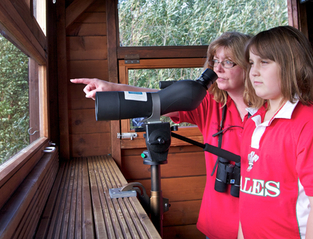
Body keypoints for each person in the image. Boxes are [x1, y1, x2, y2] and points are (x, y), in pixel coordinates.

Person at [71, 31, 251, 239]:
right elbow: (158, 100)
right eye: (215, 61)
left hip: (257, 226)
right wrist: (112, 89)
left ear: (249, 66)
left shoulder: (270, 114)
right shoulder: (209, 105)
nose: (217, 69)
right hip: (216, 224)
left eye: (228, 62)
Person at [237, 26, 313, 239]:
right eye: (251, 63)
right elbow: (248, 196)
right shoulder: (254, 120)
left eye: (265, 62)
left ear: (292, 65)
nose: (254, 71)